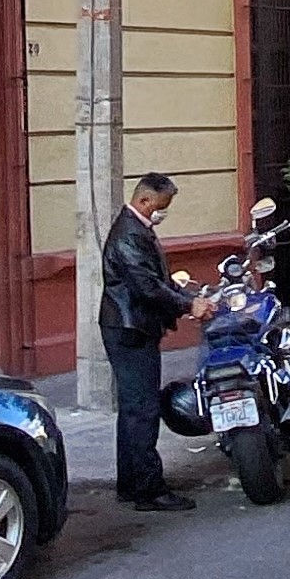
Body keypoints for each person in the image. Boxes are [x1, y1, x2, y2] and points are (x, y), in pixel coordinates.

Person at [99, 171, 212, 512]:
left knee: (133, 410)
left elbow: (159, 280)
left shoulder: (137, 230)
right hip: (130, 330)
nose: (163, 212)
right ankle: (149, 490)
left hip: (131, 327)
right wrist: (188, 305)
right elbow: (147, 287)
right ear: (144, 199)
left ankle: (131, 484)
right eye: (161, 206)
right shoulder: (129, 235)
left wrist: (189, 298)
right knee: (144, 410)